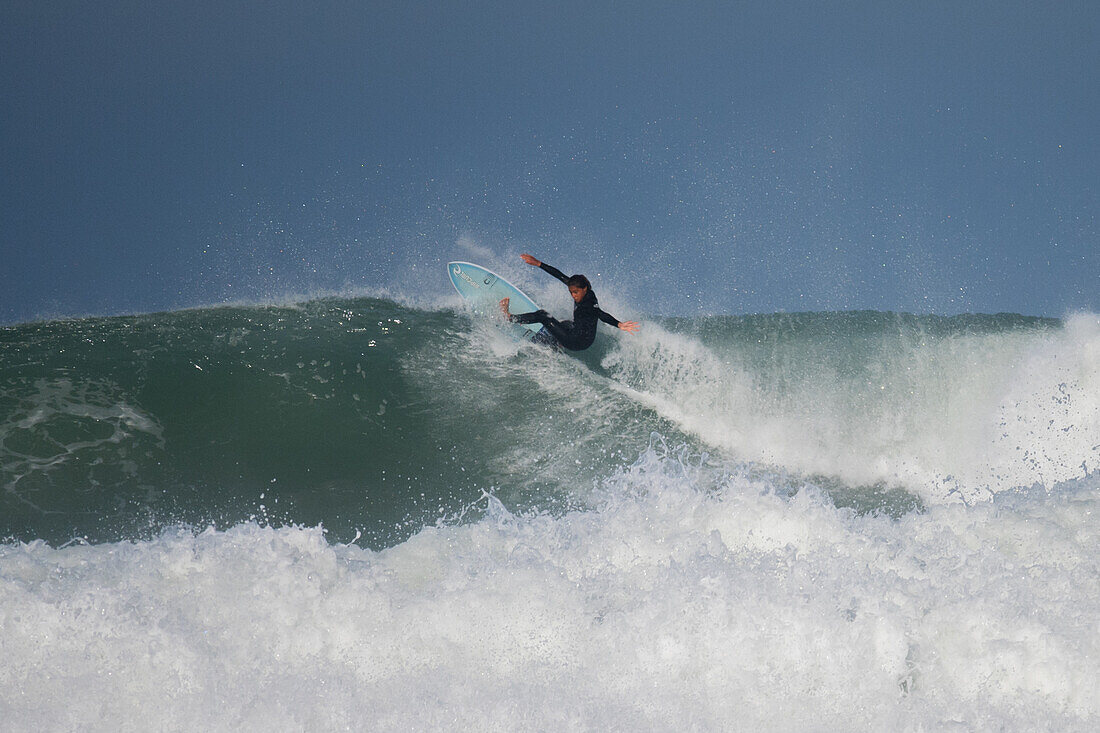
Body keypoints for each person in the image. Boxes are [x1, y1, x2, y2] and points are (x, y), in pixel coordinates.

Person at [498, 253, 639, 351]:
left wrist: (619, 324)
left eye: (575, 292)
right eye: (571, 292)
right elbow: (560, 276)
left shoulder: (588, 303)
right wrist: (538, 263)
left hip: (575, 341)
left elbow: (601, 314)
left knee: (542, 315)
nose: (573, 295)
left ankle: (509, 317)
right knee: (565, 323)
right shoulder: (580, 288)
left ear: (584, 289)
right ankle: (557, 344)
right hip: (582, 339)